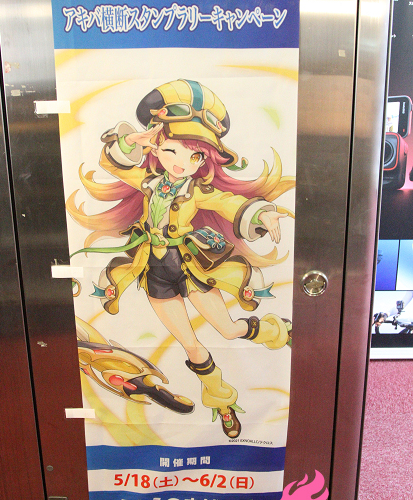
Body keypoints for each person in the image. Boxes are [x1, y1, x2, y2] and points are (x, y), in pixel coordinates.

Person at [68, 79, 295, 438]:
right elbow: (111, 162)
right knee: (191, 344)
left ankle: (276, 330)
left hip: (189, 268)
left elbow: (229, 202)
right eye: (172, 151)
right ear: (157, 147)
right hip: (155, 272)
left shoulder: (197, 190)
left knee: (228, 329)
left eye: (194, 156)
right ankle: (222, 401)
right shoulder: (146, 180)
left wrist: (263, 213)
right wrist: (131, 141)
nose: (181, 163)